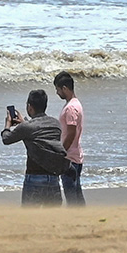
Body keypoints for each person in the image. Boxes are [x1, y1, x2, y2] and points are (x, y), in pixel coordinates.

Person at [1, 89, 70, 207]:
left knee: (30, 219)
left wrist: (7, 125)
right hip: (53, 179)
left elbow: (6, 139)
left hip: (34, 179)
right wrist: (24, 122)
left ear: (29, 107)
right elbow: (39, 134)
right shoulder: (56, 124)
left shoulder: (26, 128)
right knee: (52, 219)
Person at [52, 72, 85, 206]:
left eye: (58, 89)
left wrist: (61, 153)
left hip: (70, 157)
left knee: (71, 195)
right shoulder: (76, 104)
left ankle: (76, 219)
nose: (57, 93)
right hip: (75, 155)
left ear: (64, 88)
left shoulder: (71, 108)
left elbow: (71, 133)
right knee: (76, 193)